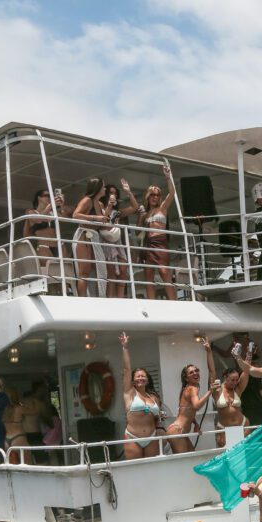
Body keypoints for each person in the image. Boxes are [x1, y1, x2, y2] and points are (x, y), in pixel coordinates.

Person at [166, 338, 219, 453]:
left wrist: (194, 423)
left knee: (190, 459)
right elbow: (196, 406)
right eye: (191, 372)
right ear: (186, 378)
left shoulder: (186, 389)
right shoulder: (192, 388)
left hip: (178, 431)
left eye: (196, 370)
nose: (195, 373)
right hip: (178, 431)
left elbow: (186, 411)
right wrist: (210, 391)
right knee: (184, 463)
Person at [119, 332, 163, 459]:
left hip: (152, 436)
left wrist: (160, 422)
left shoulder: (154, 398)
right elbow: (127, 370)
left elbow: (157, 418)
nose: (140, 378)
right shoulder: (129, 393)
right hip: (133, 437)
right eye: (137, 376)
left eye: (143, 376)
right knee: (135, 471)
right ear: (132, 381)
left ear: (147, 380)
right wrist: (125, 348)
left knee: (152, 470)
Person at [137, 165, 177, 300]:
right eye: (152, 194)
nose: (155, 197)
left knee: (164, 272)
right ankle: (152, 303)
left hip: (160, 243)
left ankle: (174, 303)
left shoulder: (163, 208)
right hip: (149, 244)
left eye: (157, 195)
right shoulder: (146, 213)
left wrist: (168, 177)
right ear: (148, 196)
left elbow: (172, 193)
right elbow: (139, 231)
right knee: (148, 274)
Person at [99, 179, 138, 298]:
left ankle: (120, 298)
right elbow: (102, 221)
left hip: (118, 242)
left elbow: (134, 207)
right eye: (111, 192)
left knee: (123, 271)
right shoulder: (100, 208)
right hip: (105, 242)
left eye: (115, 193)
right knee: (110, 273)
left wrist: (128, 192)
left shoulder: (118, 212)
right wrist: (110, 205)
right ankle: (111, 299)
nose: (113, 195)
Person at [72, 177, 110, 297]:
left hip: (95, 236)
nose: (105, 189)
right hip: (84, 234)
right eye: (103, 186)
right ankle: (82, 300)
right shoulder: (87, 200)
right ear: (97, 188)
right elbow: (75, 215)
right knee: (84, 271)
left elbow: (102, 222)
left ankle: (98, 297)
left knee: (100, 270)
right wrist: (95, 218)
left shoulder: (99, 204)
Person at [210, 348, 252, 448]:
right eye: (232, 380)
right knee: (226, 456)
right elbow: (212, 372)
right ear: (225, 377)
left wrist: (249, 355)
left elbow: (246, 371)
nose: (235, 382)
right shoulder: (217, 390)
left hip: (243, 424)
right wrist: (208, 351)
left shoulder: (238, 390)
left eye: (237, 380)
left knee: (241, 454)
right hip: (224, 427)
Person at [23, 188, 71, 262]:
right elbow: (38, 220)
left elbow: (66, 219)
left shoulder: (53, 213)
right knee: (47, 271)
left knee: (65, 270)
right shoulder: (31, 211)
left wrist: (61, 205)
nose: (49, 198)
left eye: (51, 196)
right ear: (39, 198)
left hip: (60, 246)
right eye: (47, 195)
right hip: (44, 247)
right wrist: (50, 206)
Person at [2, 386, 32, 464]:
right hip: (19, 438)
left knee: (11, 467)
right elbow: (35, 411)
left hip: (6, 440)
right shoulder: (19, 408)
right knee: (28, 465)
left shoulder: (4, 410)